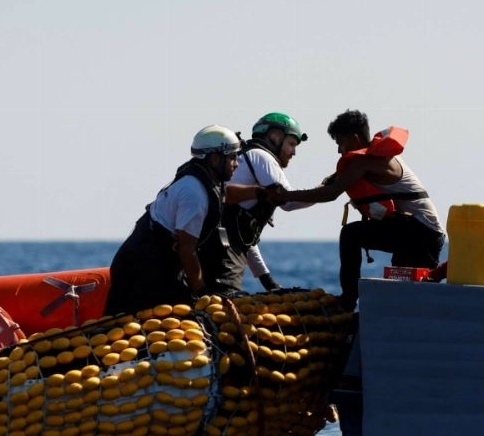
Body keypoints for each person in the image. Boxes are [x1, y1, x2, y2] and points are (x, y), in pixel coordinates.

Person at [276, 110, 446, 310]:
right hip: (417, 233)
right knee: (406, 297)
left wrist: (284, 196)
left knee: (351, 235)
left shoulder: (365, 162)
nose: (339, 150)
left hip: (421, 233)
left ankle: (348, 301)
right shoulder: (372, 159)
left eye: (340, 143)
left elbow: (331, 193)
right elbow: (338, 180)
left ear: (354, 139)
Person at [105, 126, 266, 315]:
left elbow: (226, 194)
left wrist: (261, 193)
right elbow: (186, 249)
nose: (236, 164)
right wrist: (203, 293)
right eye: (232, 157)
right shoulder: (193, 194)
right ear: (215, 159)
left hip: (160, 263)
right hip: (142, 267)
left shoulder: (205, 182)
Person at [208, 112, 315, 295]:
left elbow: (243, 233)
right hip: (221, 253)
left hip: (213, 248)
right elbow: (288, 202)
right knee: (224, 299)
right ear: (274, 137)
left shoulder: (248, 156)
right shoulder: (262, 156)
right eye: (291, 144)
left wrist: (266, 279)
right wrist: (326, 190)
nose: (294, 152)